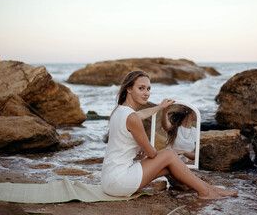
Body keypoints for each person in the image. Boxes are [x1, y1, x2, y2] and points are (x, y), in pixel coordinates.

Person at [101, 70, 238, 199]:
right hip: (119, 182)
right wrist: (146, 147)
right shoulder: (132, 118)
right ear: (129, 89)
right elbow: (152, 154)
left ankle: (212, 189)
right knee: (170, 154)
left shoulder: (119, 111)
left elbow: (141, 114)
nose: (146, 93)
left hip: (109, 180)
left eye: (148, 89)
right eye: (141, 88)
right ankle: (204, 192)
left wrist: (160, 107)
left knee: (169, 167)